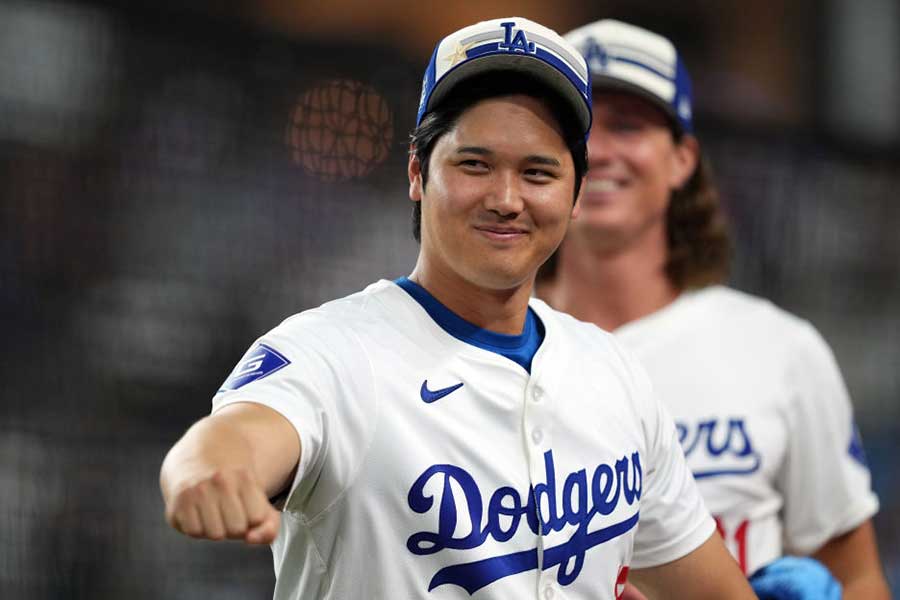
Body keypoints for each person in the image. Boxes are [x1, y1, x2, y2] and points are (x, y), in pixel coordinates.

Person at [160, 16, 756, 599]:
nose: (505, 199)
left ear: (576, 194)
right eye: (475, 164)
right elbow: (235, 436)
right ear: (418, 172)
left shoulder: (612, 370)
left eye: (538, 173)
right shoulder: (333, 352)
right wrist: (207, 473)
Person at [537, 18, 891, 599]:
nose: (598, 151)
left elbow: (856, 577)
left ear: (682, 159)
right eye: (578, 128)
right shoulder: (487, 347)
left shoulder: (780, 350)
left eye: (628, 127)